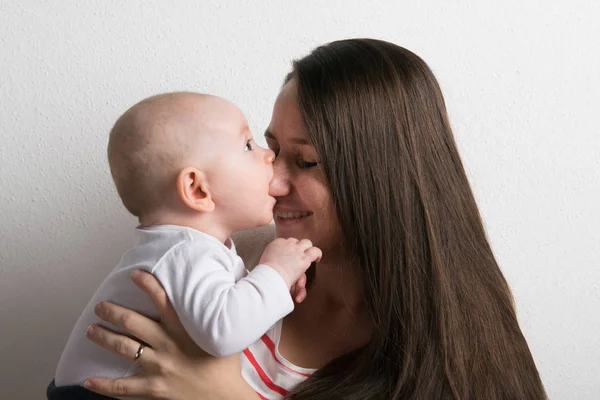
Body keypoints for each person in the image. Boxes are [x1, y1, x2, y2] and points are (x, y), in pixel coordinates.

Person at [49, 39, 548, 399]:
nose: (271, 182)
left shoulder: (458, 349)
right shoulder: (238, 267)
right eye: (267, 150)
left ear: (381, 177)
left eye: (304, 161)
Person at [51, 93, 321, 396]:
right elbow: (224, 331)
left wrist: (274, 281)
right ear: (197, 189)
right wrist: (276, 272)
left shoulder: (188, 247)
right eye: (248, 145)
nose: (269, 156)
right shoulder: (186, 252)